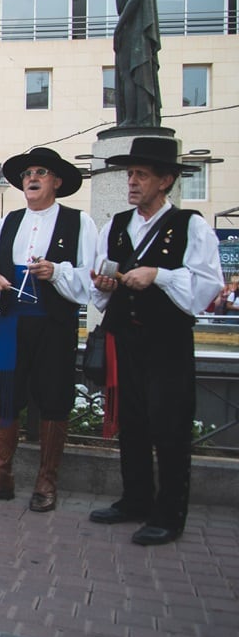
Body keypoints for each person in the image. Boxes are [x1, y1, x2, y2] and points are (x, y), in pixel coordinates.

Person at [88, 136, 223, 546]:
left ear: (165, 180)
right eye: (130, 174)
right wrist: (104, 283)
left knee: (169, 425)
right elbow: (97, 286)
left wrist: (159, 275)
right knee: (132, 422)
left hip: (167, 343)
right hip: (125, 339)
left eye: (141, 175)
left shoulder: (190, 225)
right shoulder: (115, 226)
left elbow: (205, 286)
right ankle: (135, 499)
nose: (132, 182)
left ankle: (170, 514)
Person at [0, 147, 96, 511]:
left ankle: (46, 481)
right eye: (26, 174)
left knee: (54, 399)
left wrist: (58, 272)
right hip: (12, 324)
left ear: (57, 181)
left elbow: (91, 282)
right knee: (3, 397)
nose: (31, 179)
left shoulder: (80, 222)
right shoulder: (7, 223)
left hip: (55, 325)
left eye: (40, 172)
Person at [113, 0, 162, 129]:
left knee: (131, 73)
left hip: (134, 31)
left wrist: (119, 26)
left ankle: (132, 119)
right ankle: (130, 117)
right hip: (131, 30)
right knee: (127, 74)